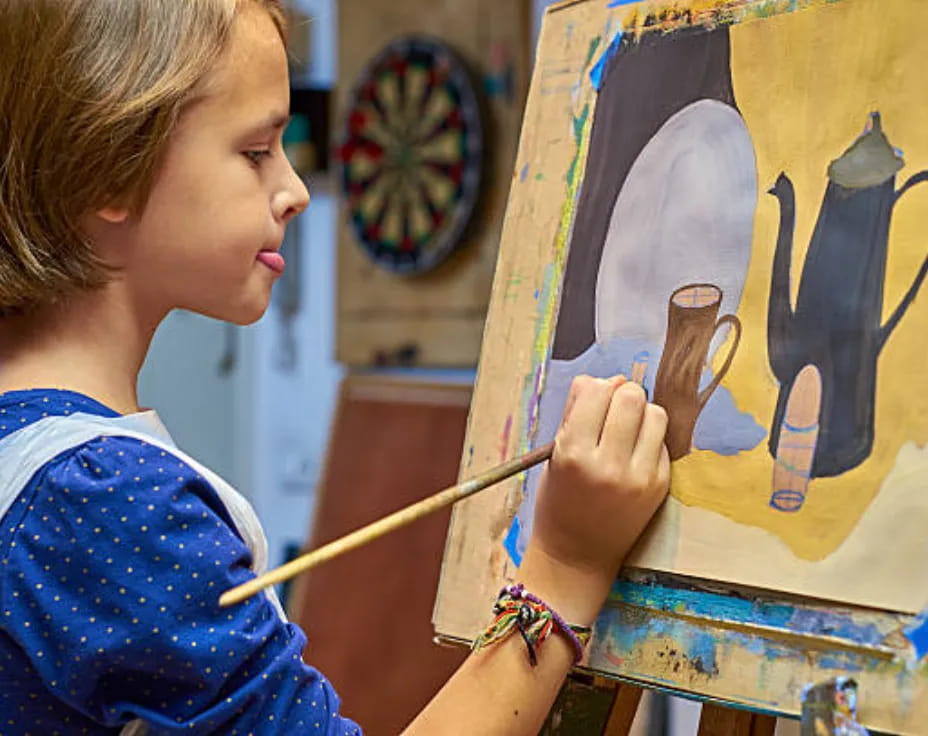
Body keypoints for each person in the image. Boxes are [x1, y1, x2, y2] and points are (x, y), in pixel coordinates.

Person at [0, 1, 671, 733]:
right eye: (256, 152)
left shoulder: (42, 466)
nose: (292, 190)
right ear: (107, 166)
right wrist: (563, 570)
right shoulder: (112, 504)